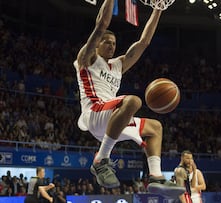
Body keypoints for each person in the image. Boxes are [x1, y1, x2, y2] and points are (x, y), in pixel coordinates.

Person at [73, 0, 185, 197]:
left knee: (155, 128)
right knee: (133, 101)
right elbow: (101, 25)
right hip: (94, 113)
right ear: (97, 44)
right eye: (108, 42)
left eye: (114, 43)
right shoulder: (86, 58)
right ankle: (101, 159)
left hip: (112, 119)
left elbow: (144, 42)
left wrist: (158, 9)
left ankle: (156, 177)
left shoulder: (118, 65)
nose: (112, 46)